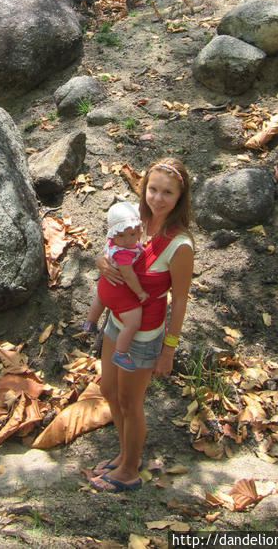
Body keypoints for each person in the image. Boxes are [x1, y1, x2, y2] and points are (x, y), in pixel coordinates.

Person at [88, 157, 194, 493]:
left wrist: (169, 350)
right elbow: (108, 249)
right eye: (153, 189)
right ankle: (125, 454)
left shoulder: (180, 245)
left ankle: (130, 470)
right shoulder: (134, 221)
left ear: (180, 198)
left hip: (144, 333)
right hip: (116, 321)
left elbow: (179, 301)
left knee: (130, 402)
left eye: (168, 193)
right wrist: (100, 261)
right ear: (144, 187)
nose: (158, 199)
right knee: (108, 391)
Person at [83, 201, 149, 371]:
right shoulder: (124, 254)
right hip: (117, 290)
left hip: (105, 286)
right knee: (133, 323)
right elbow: (128, 275)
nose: (128, 240)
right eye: (121, 236)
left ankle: (90, 322)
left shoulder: (112, 245)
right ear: (113, 234)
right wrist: (140, 292)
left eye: (132, 234)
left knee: (99, 300)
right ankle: (120, 352)